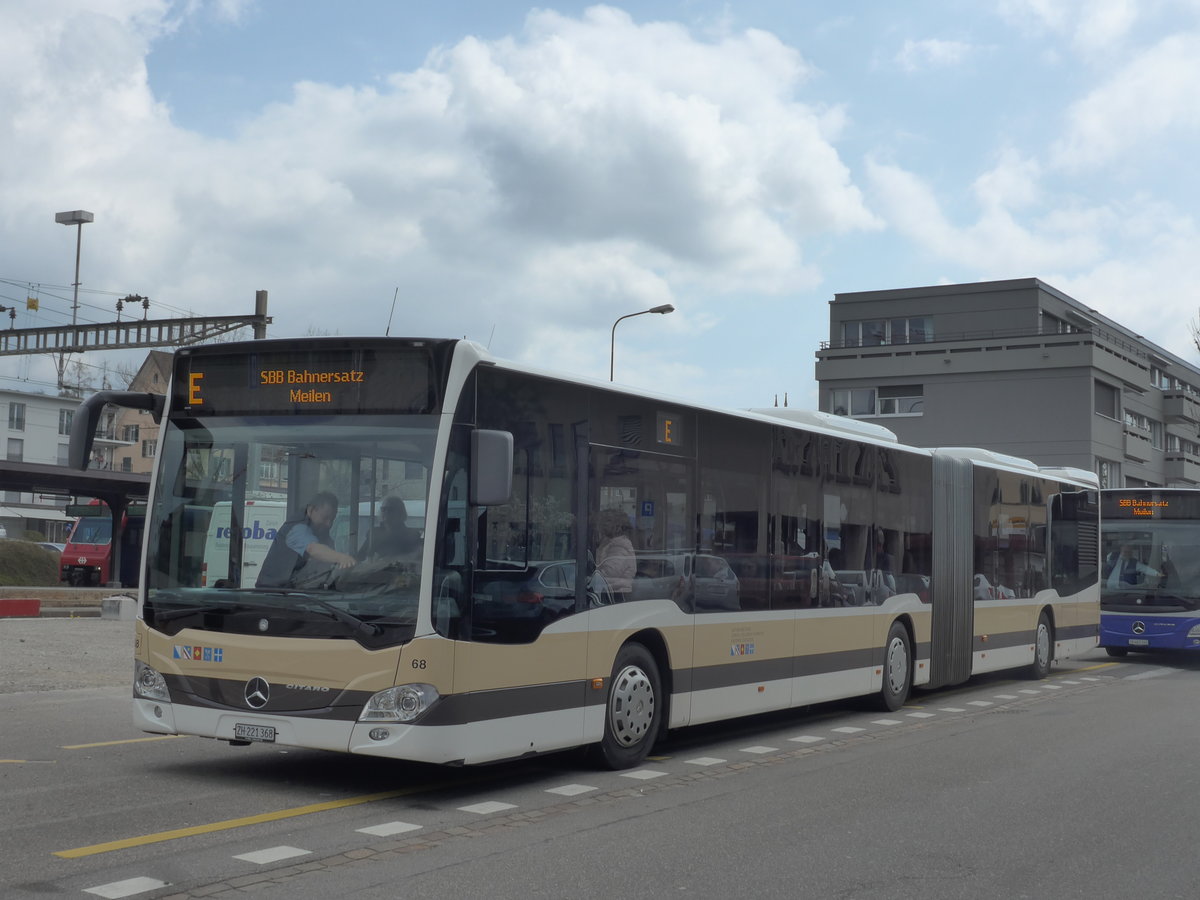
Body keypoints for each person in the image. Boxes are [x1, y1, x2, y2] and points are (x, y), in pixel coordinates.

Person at [256, 492, 357, 588]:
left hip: (296, 593)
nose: (328, 524)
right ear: (310, 510)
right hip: (273, 594)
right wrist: (341, 558)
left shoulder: (321, 533)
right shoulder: (296, 529)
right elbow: (313, 549)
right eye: (325, 518)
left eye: (332, 519)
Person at [357, 496, 421, 561]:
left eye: (391, 509)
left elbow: (415, 559)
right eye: (383, 509)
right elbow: (360, 556)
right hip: (374, 570)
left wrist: (388, 560)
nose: (386, 512)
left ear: (400, 512)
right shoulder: (374, 533)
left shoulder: (412, 535)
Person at [594, 507, 636, 602]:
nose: (602, 525)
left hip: (616, 595)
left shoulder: (620, 545)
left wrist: (589, 577)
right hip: (609, 591)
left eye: (607, 522)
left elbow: (610, 573)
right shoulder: (607, 542)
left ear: (617, 525)